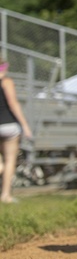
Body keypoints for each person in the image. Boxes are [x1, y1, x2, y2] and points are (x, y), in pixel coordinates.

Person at [0, 61, 33, 205]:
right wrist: (25, 126)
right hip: (8, 126)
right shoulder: (6, 82)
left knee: (2, 163)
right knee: (9, 161)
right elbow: (13, 104)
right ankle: (5, 195)